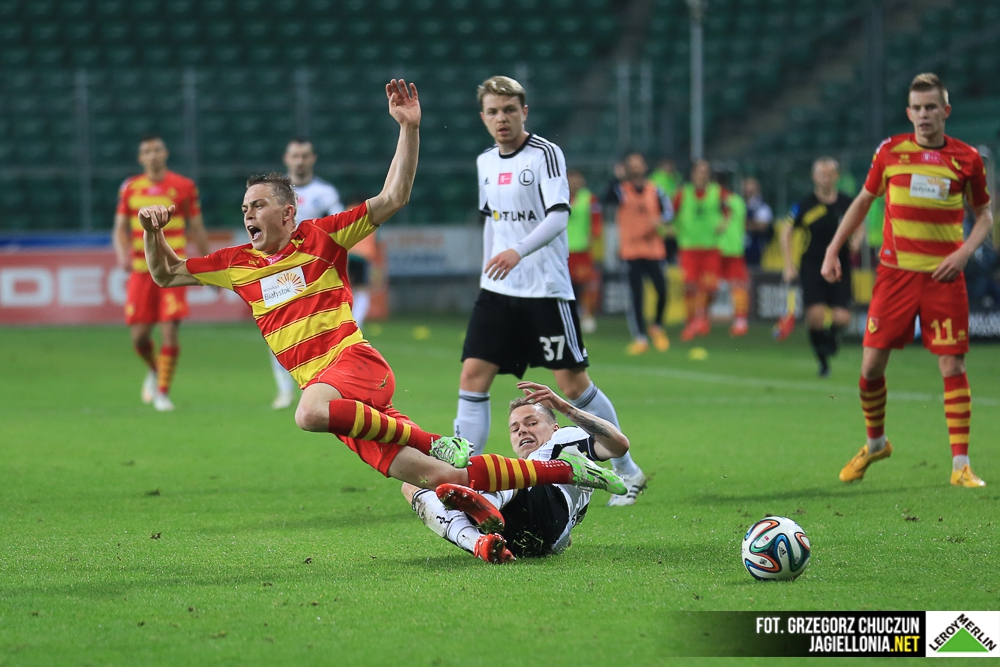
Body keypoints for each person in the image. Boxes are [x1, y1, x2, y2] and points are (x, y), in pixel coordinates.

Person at [136, 80, 627, 499]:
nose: (248, 213)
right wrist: (152, 232)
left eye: (258, 205)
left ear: (287, 213)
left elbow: (394, 196)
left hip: (352, 366)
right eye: (245, 208)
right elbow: (165, 273)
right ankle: (565, 470)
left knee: (306, 415)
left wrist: (408, 128)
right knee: (443, 479)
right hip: (336, 400)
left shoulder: (322, 236)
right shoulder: (236, 263)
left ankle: (432, 439)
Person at [456, 75, 647, 506]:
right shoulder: (485, 162)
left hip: (544, 287)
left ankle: (626, 469)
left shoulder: (545, 154)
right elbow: (492, 221)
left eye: (509, 110)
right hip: (498, 290)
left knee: (573, 384)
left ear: (524, 112)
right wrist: (489, 269)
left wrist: (517, 252)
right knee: (472, 376)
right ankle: (464, 477)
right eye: (493, 111)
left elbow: (559, 216)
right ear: (483, 117)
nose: (502, 118)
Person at [821, 73, 993, 488]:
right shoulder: (890, 152)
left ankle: (961, 465)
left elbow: (984, 215)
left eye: (931, 107)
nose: (923, 115)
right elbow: (863, 201)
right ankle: (876, 443)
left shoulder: (968, 159)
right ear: (908, 113)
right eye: (917, 108)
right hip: (895, 275)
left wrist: (964, 253)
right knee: (870, 366)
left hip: (943, 277)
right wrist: (833, 249)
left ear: (945, 111)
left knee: (952, 364)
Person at [403, 380, 631, 562]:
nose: (522, 430)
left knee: (510, 473)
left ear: (554, 427)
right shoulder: (530, 460)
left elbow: (619, 445)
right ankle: (478, 542)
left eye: (531, 423)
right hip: (522, 540)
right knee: (411, 484)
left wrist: (564, 407)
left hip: (547, 510)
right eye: (515, 429)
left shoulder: (563, 438)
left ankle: (485, 506)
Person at [113, 134, 210, 412]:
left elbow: (197, 227)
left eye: (157, 150)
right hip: (141, 271)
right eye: (147, 151)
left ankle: (163, 393)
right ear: (140, 158)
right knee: (139, 338)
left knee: (169, 332)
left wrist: (207, 265)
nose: (153, 155)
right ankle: (155, 370)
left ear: (165, 153)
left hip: (172, 269)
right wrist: (121, 254)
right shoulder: (130, 188)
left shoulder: (184, 186)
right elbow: (120, 227)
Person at [269, 138, 347, 410]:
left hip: (316, 274)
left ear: (313, 159)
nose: (300, 161)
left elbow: (340, 226)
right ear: (286, 159)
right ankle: (284, 391)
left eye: (304, 156)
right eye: (295, 156)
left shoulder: (325, 193)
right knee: (277, 332)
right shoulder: (273, 194)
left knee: (321, 331)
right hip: (281, 272)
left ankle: (323, 385)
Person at [781, 158, 856, 377]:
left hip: (840, 265)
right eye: (822, 174)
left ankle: (832, 337)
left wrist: (857, 240)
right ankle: (823, 361)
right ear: (814, 177)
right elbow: (786, 232)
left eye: (830, 174)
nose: (826, 178)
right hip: (812, 265)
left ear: (837, 176)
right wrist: (788, 265)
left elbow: (859, 222)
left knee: (842, 318)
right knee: (816, 316)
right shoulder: (804, 205)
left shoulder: (846, 202)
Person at [603, 152, 673, 355]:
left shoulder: (655, 190)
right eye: (631, 164)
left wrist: (662, 221)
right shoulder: (621, 190)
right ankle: (640, 338)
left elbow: (669, 211)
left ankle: (656, 325)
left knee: (662, 289)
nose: (636, 167)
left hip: (654, 249)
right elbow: (605, 199)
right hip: (631, 250)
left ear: (644, 167)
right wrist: (616, 178)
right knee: (636, 295)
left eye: (638, 164)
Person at [673, 159, 730, 341]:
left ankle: (703, 316)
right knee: (690, 285)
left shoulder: (718, 192)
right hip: (689, 247)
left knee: (710, 287)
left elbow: (732, 208)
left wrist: (725, 223)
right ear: (693, 174)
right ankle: (691, 322)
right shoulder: (683, 193)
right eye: (699, 171)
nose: (702, 175)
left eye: (705, 172)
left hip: (710, 247)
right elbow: (670, 213)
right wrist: (671, 228)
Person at [566, 170, 603, 335]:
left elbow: (596, 220)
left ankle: (586, 315)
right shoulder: (557, 196)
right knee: (565, 284)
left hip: (582, 249)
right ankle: (567, 315)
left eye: (578, 179)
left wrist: (594, 236)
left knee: (585, 283)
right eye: (572, 179)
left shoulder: (590, 198)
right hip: (562, 250)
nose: (575, 183)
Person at [718, 180, 750, 336]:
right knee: (737, 286)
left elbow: (721, 224)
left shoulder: (720, 201)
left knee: (736, 286)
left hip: (720, 248)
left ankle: (740, 320)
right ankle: (740, 321)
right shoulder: (739, 201)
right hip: (732, 248)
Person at [742, 177, 774, 267]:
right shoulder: (742, 206)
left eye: (751, 192)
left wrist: (743, 224)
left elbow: (762, 226)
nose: (749, 195)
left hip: (756, 251)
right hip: (741, 251)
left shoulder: (763, 208)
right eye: (746, 192)